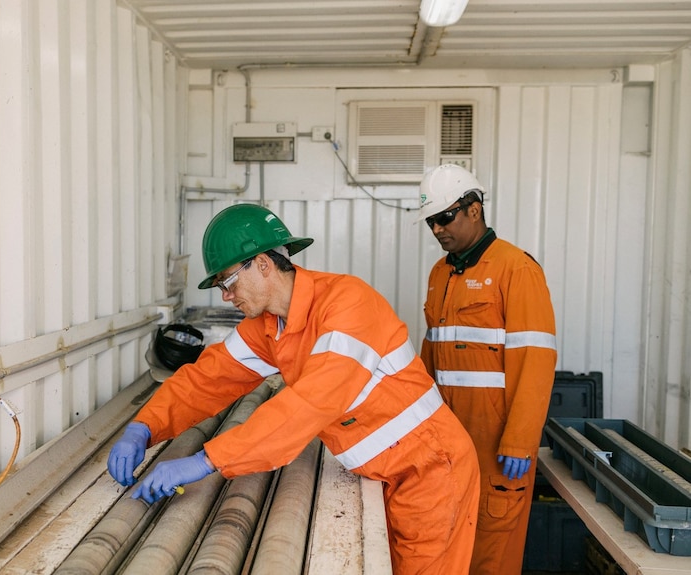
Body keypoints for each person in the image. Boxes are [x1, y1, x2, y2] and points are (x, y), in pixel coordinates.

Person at [108, 203, 480, 574]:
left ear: (263, 264)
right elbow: (207, 378)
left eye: (227, 280)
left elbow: (308, 405)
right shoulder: (271, 325)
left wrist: (206, 460)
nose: (225, 295)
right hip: (385, 472)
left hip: (430, 471)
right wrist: (144, 428)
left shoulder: (347, 304)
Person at [417, 164, 558, 575]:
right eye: (431, 221)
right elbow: (431, 358)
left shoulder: (517, 270)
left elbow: (536, 362)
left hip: (496, 449)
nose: (437, 230)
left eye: (444, 217)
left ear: (474, 210)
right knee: (447, 555)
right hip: (448, 444)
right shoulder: (440, 273)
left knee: (491, 559)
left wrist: (519, 442)